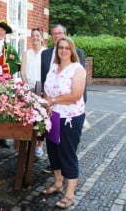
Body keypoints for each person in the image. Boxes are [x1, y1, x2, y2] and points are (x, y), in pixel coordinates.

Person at [42, 37, 86, 209]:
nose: (64, 50)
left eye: (67, 48)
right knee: (53, 151)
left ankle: (70, 193)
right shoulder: (53, 68)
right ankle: (58, 183)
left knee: (67, 153)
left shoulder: (77, 69)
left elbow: (75, 95)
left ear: (72, 50)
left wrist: (52, 101)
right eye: (61, 47)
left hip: (70, 118)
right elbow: (46, 90)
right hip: (52, 116)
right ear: (57, 50)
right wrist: (48, 103)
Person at [20, 27, 46, 158]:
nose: (35, 38)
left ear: (42, 38)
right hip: (29, 89)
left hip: (42, 90)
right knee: (29, 117)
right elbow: (22, 71)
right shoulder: (26, 53)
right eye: (33, 36)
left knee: (41, 118)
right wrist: (26, 87)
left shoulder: (46, 53)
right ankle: (28, 143)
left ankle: (39, 146)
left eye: (38, 35)